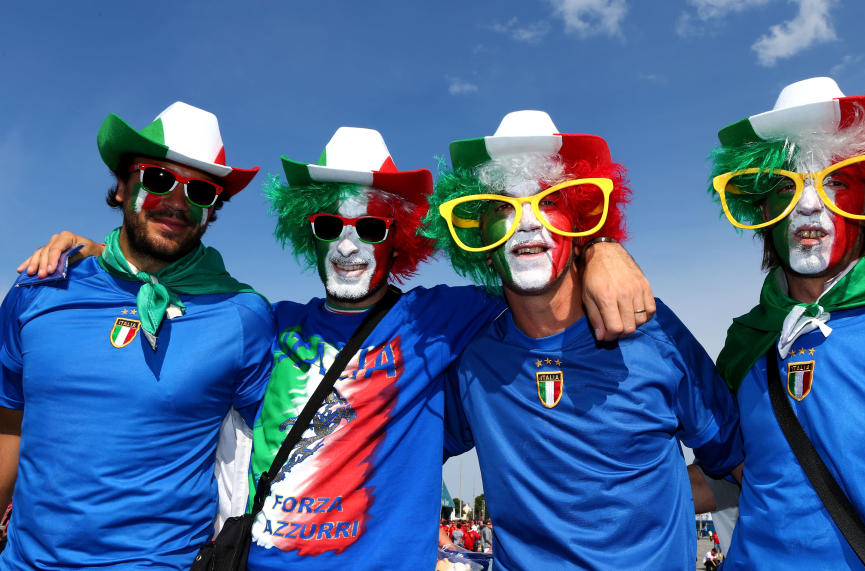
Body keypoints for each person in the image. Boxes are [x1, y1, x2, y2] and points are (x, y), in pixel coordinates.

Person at [18, 123, 650, 569]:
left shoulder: (439, 320)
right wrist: (99, 253)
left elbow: (532, 279)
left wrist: (600, 247)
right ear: (309, 234)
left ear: (399, 240)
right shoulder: (263, 322)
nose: (349, 246)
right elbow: (175, 293)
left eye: (371, 227)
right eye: (330, 226)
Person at [423, 110, 743, 569]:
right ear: (478, 238)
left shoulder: (652, 329)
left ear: (580, 224)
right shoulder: (473, 353)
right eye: (502, 208)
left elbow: (735, 462)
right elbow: (405, 452)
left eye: (548, 201)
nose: (527, 224)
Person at [0, 102, 274, 568]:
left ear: (212, 210)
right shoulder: (40, 288)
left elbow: (287, 443)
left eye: (201, 190)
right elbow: (9, 424)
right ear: (123, 186)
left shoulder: (242, 315)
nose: (177, 201)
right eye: (159, 179)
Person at [706, 77, 865, 568]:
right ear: (761, 211)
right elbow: (738, 472)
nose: (809, 204)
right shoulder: (747, 342)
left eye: (837, 182)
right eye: (785, 187)